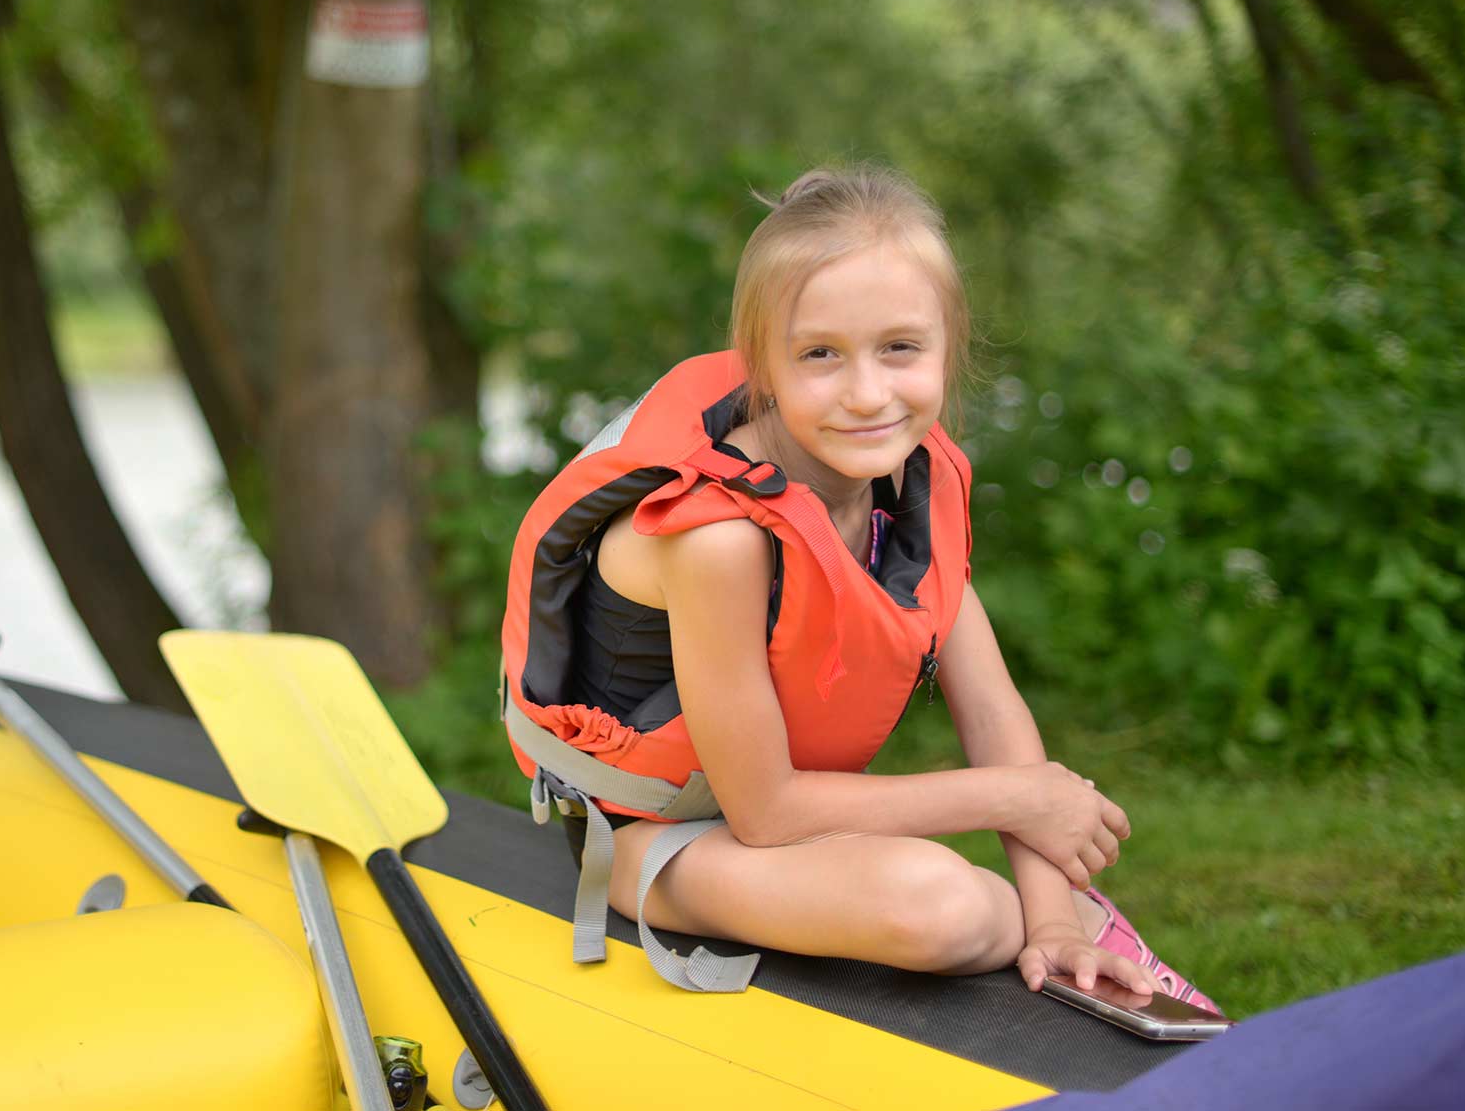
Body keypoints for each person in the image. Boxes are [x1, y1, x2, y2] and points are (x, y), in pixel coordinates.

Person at [500, 165, 1218, 1011]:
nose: (869, 393)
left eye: (900, 349)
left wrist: (1053, 913)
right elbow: (764, 812)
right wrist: (1020, 798)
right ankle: (1063, 929)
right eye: (820, 356)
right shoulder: (718, 538)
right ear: (763, 361)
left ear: (948, 343)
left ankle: (1074, 930)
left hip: (776, 830)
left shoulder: (909, 485)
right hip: (657, 838)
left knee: (969, 901)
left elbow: (990, 708)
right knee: (939, 906)